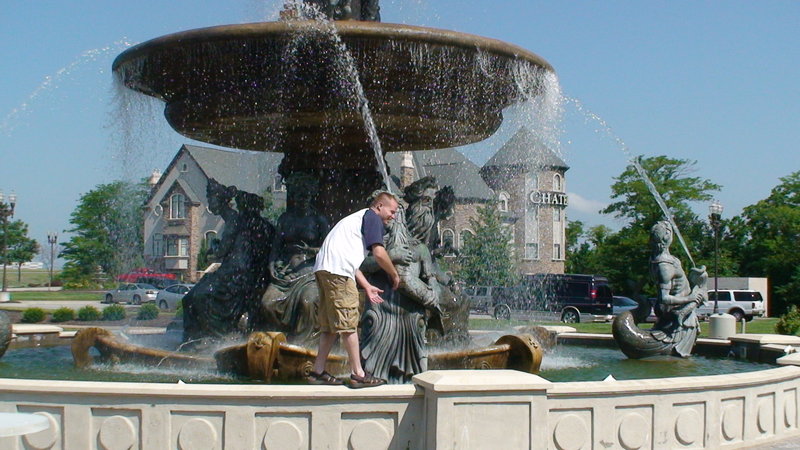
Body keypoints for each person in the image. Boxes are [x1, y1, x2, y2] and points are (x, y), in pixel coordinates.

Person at [308, 190, 400, 388]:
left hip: (325, 270)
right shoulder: (372, 218)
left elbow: (350, 261)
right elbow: (379, 253)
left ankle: (317, 371)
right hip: (338, 273)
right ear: (379, 206)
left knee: (330, 325)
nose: (393, 216)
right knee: (349, 322)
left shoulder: (358, 219)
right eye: (392, 211)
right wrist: (394, 274)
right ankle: (358, 373)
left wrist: (366, 285)